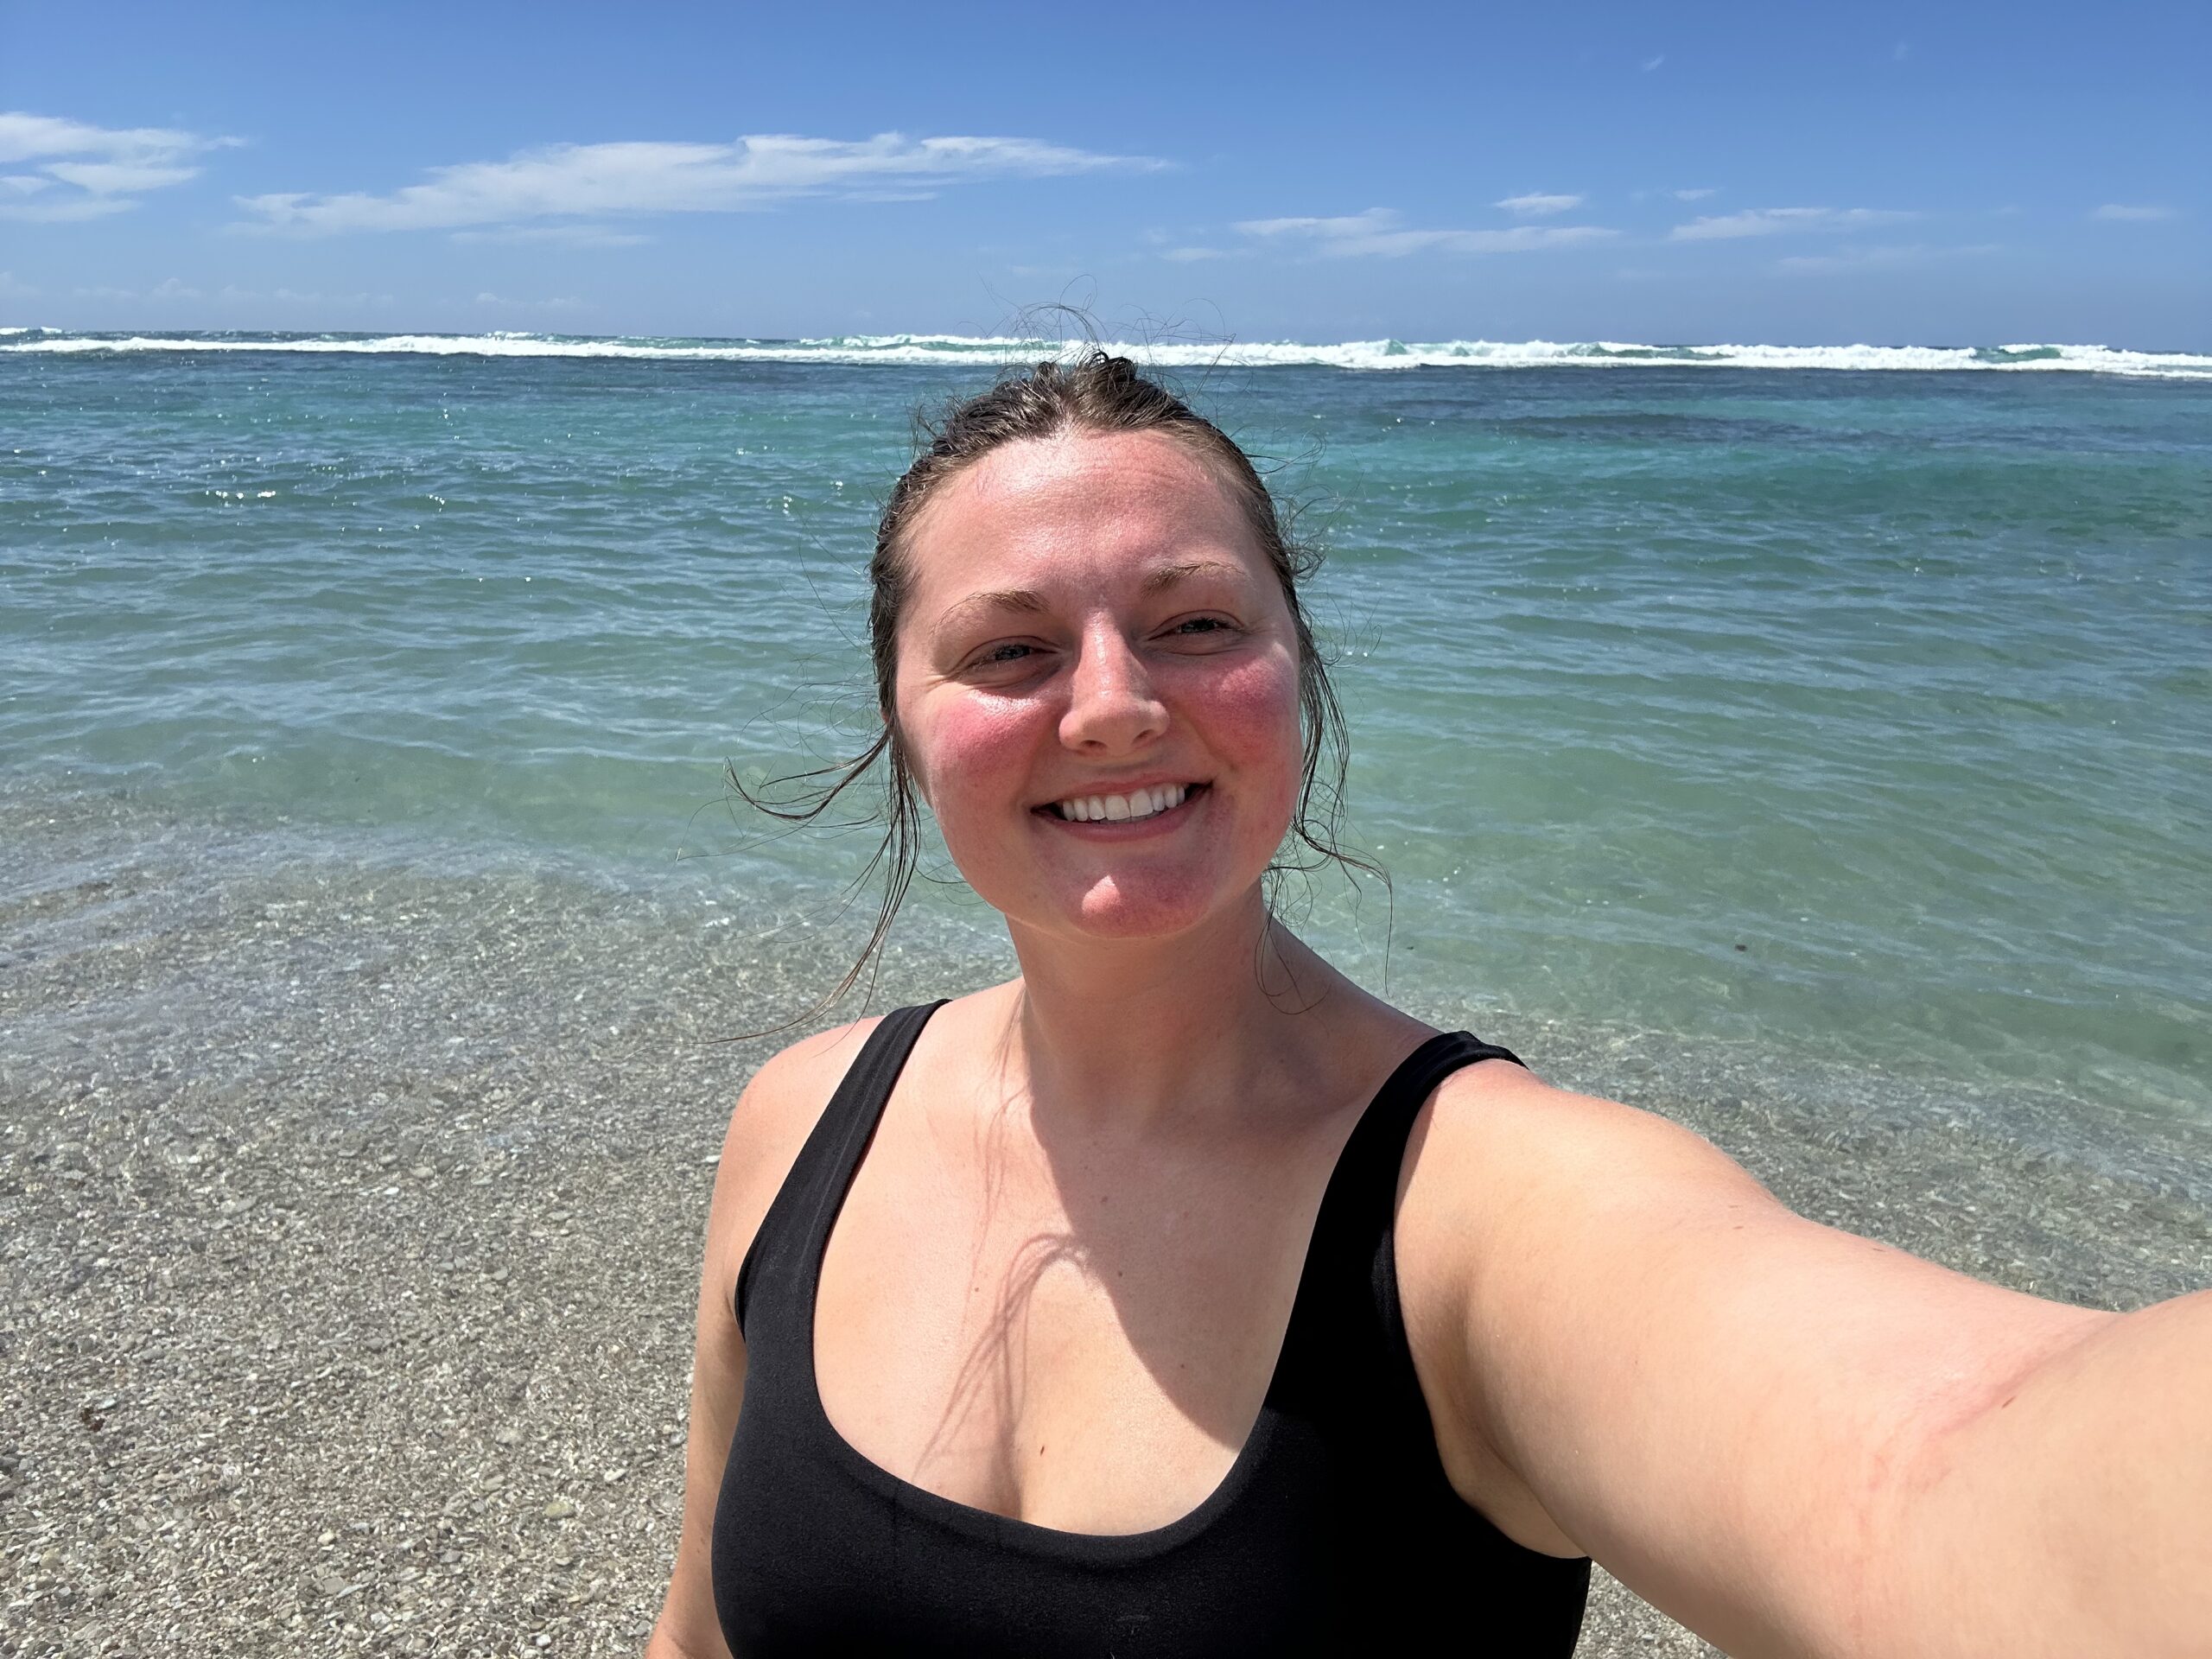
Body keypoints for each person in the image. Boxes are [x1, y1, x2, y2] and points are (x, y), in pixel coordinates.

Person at [645, 353, 2209, 1658]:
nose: (1114, 703)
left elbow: (1937, 1476)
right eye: (1010, 648)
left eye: (1196, 623)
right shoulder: (801, 1120)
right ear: (902, 717)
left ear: (1296, 668)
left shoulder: (1486, 1215)